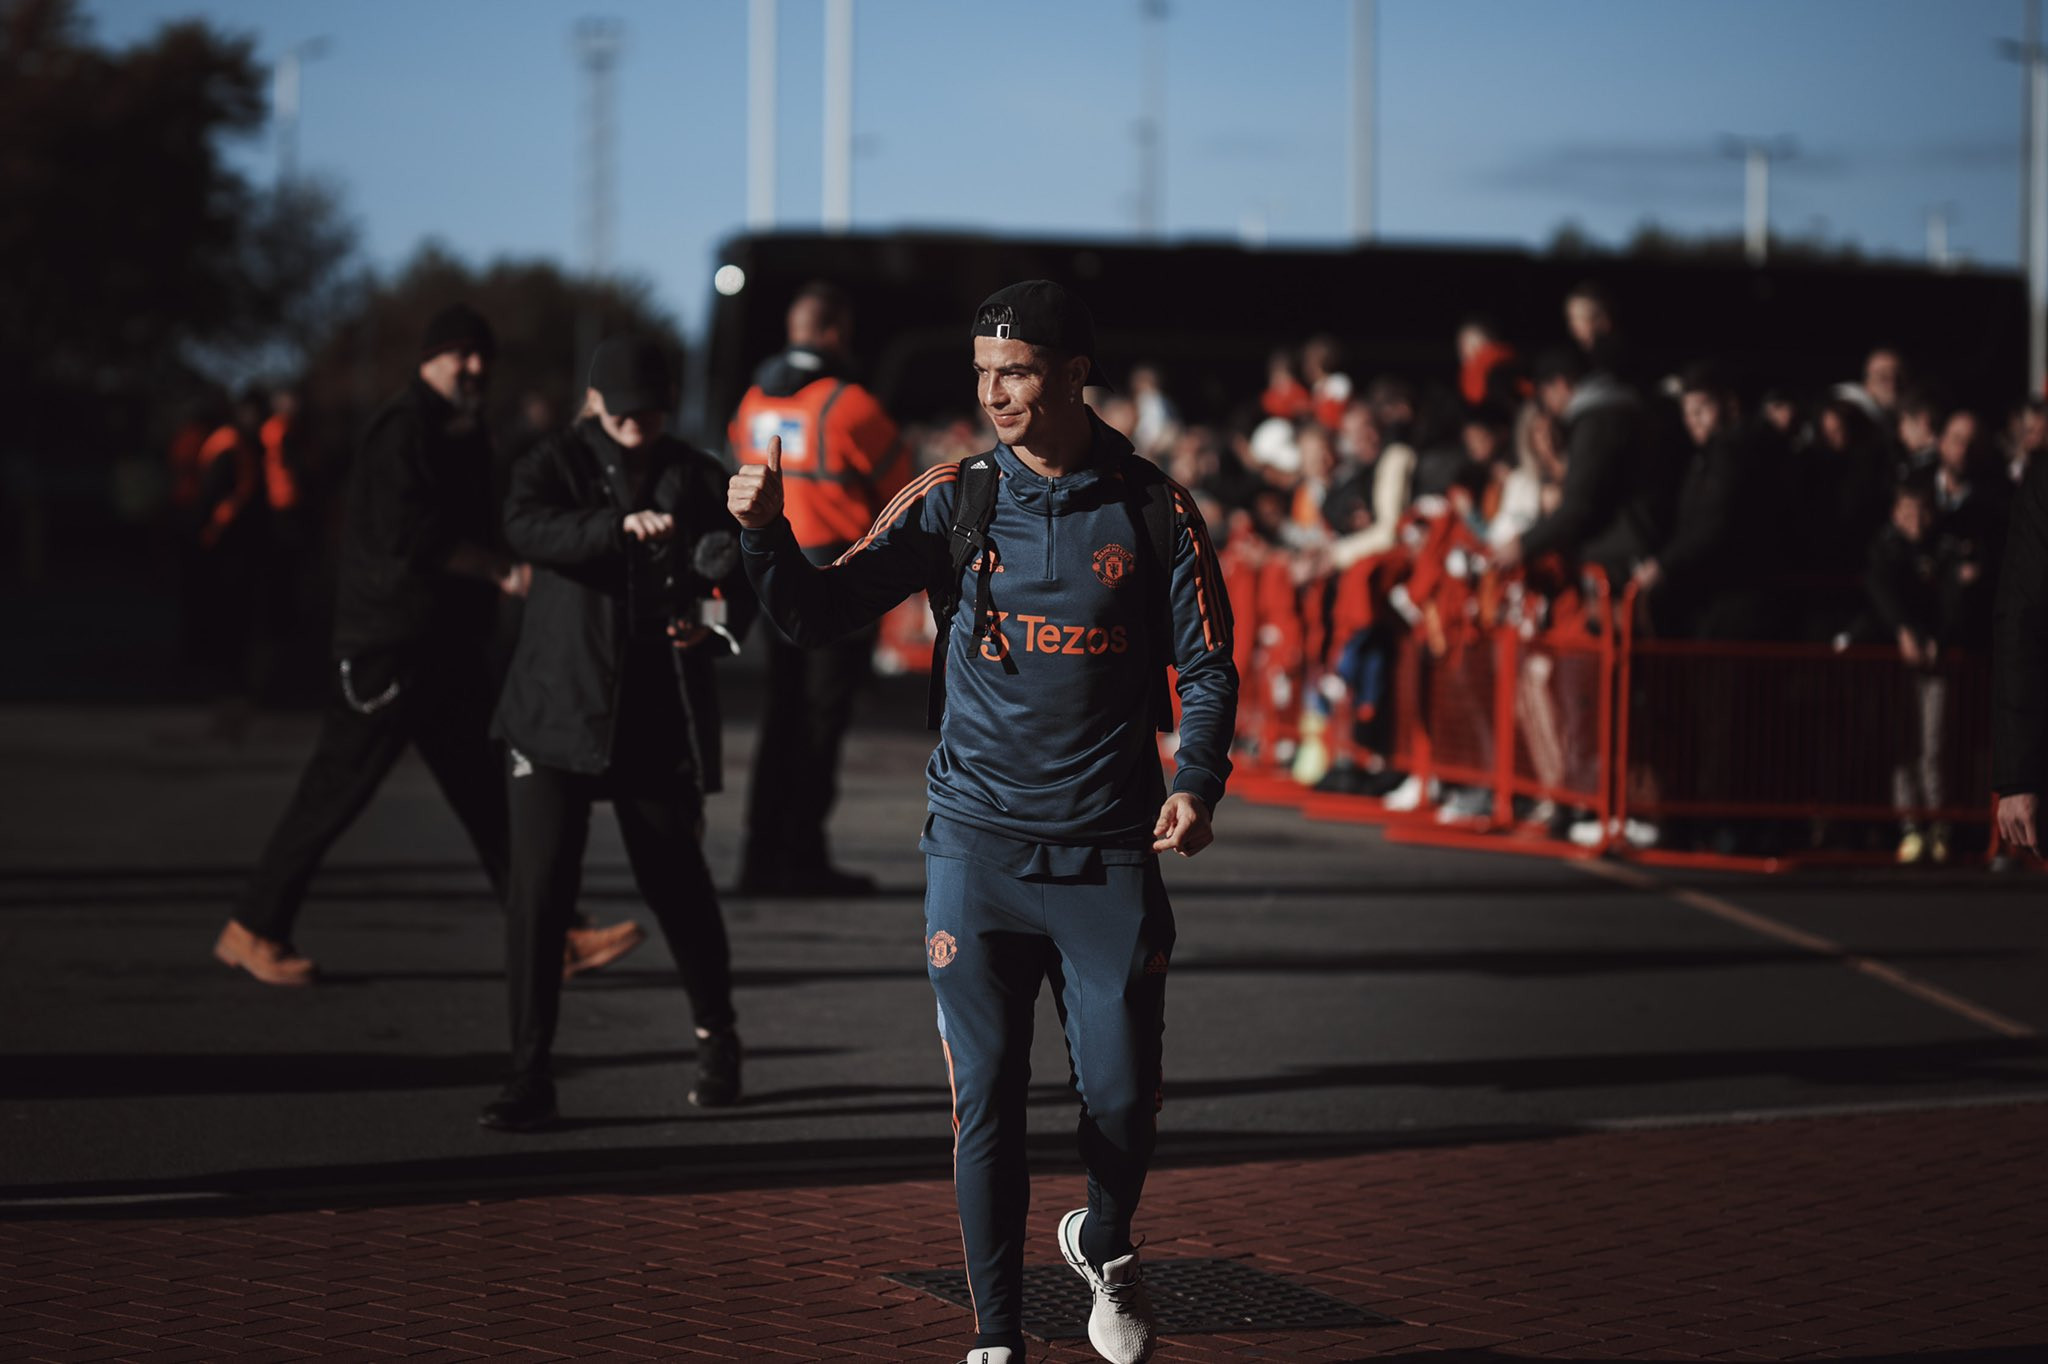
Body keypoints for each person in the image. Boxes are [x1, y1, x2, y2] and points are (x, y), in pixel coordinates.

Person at [729, 279, 1238, 1364]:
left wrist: (1195, 780)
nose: (994, 394)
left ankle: (1103, 1239)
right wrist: (765, 536)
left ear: (1073, 374)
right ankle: (996, 1338)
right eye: (981, 375)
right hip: (975, 847)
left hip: (1109, 852)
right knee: (986, 1102)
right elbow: (818, 612)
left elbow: (1205, 665)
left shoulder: (1155, 508)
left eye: (1015, 373)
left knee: (1122, 1099)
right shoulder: (951, 498)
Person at [213, 305, 643, 986]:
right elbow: (410, 535)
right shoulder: (403, 429)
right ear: (428, 358)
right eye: (459, 354)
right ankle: (253, 928)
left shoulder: (458, 429)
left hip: (443, 645)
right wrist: (501, 570)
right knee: (334, 791)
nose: (474, 366)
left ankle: (553, 932)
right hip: (391, 647)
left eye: (482, 355)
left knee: (490, 796)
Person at [481, 337, 754, 1130]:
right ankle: (529, 1074)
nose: (638, 423)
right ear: (596, 401)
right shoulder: (553, 461)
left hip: (653, 714)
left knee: (677, 885)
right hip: (555, 708)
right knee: (539, 896)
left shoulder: (695, 472)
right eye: (624, 409)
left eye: (653, 409)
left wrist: (713, 622)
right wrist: (615, 527)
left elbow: (741, 569)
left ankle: (717, 1037)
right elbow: (525, 528)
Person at [729, 280, 908, 896]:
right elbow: (908, 495)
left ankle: (761, 855)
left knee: (781, 718)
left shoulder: (752, 401)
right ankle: (802, 858)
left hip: (772, 574)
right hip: (837, 579)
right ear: (835, 333)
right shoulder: (851, 405)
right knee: (819, 723)